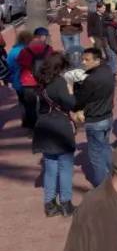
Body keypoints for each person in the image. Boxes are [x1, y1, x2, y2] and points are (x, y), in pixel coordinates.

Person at [32, 53, 76, 217]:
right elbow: (70, 103)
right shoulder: (59, 82)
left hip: (44, 125)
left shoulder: (42, 81)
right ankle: (66, 203)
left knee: (50, 168)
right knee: (65, 168)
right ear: (59, 67)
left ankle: (49, 205)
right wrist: (71, 91)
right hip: (59, 127)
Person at [74, 47, 116, 187]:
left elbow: (79, 100)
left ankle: (102, 186)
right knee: (105, 147)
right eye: (83, 59)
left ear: (97, 60)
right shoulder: (108, 71)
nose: (83, 62)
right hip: (107, 117)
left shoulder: (91, 80)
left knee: (96, 156)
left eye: (87, 60)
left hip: (95, 120)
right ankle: (114, 176)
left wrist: (74, 87)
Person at [17, 27, 54, 131]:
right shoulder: (49, 49)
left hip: (28, 81)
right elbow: (52, 63)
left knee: (30, 106)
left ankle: (32, 128)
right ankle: (46, 125)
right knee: (45, 103)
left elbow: (20, 62)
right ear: (42, 37)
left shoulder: (25, 50)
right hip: (43, 80)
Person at [7, 30, 33, 103]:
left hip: (15, 81)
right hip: (23, 82)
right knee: (30, 105)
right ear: (27, 39)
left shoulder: (14, 49)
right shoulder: (22, 51)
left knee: (23, 102)